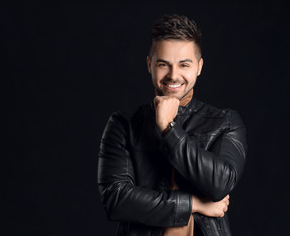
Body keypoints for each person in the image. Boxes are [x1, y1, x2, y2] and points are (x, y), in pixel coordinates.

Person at [98, 14, 247, 236]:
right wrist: (194, 204)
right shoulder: (123, 125)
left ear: (199, 66)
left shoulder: (225, 122)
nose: (173, 75)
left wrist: (169, 128)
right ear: (150, 65)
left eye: (184, 64)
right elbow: (116, 199)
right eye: (163, 64)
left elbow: (220, 184)